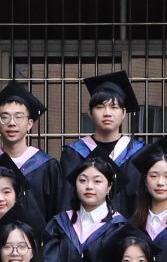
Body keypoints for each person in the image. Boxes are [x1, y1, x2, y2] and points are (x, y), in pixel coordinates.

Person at [62, 71, 147, 214]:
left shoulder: (138, 153)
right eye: (100, 107)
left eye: (114, 107)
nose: (107, 113)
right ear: (90, 113)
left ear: (124, 113)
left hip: (129, 226)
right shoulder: (74, 153)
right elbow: (66, 200)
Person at [0, 81, 64, 221]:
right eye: (5, 117)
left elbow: (57, 214)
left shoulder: (46, 166)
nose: (12, 123)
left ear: (29, 124)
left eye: (19, 117)